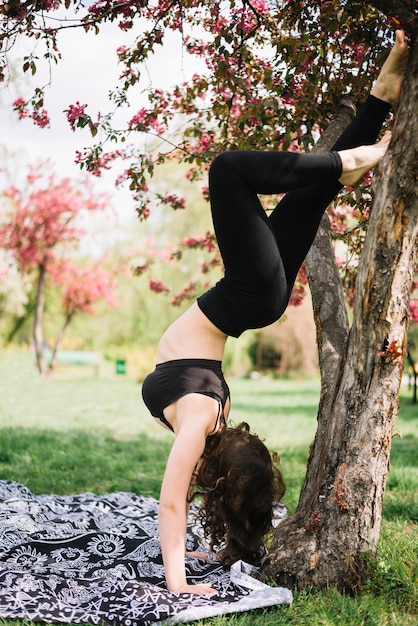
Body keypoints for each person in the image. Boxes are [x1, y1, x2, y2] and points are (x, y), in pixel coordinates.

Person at [142, 31, 409, 595]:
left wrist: (181, 577)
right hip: (248, 296)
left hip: (253, 298)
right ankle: (357, 145)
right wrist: (180, 575)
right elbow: (172, 497)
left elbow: (174, 499)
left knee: (288, 189)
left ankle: (369, 121)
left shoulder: (199, 425)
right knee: (234, 174)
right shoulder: (200, 423)